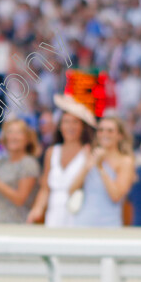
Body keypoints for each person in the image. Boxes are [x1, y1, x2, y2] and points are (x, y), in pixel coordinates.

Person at [27, 94, 96, 227]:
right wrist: (38, 209)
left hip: (79, 211)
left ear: (82, 127)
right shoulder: (52, 152)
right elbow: (45, 188)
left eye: (75, 122)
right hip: (55, 213)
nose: (70, 126)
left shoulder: (88, 152)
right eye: (66, 122)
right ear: (60, 126)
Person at [69, 116, 136, 227]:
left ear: (120, 135)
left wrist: (100, 167)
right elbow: (71, 190)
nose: (105, 134)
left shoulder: (125, 161)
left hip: (109, 224)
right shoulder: (90, 155)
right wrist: (87, 166)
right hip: (83, 222)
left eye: (110, 131)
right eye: (101, 130)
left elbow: (116, 196)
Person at [0, 119, 41, 224]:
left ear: (27, 139)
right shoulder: (1, 162)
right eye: (10, 132)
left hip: (20, 223)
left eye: (19, 133)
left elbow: (20, 199)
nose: (14, 136)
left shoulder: (29, 163)